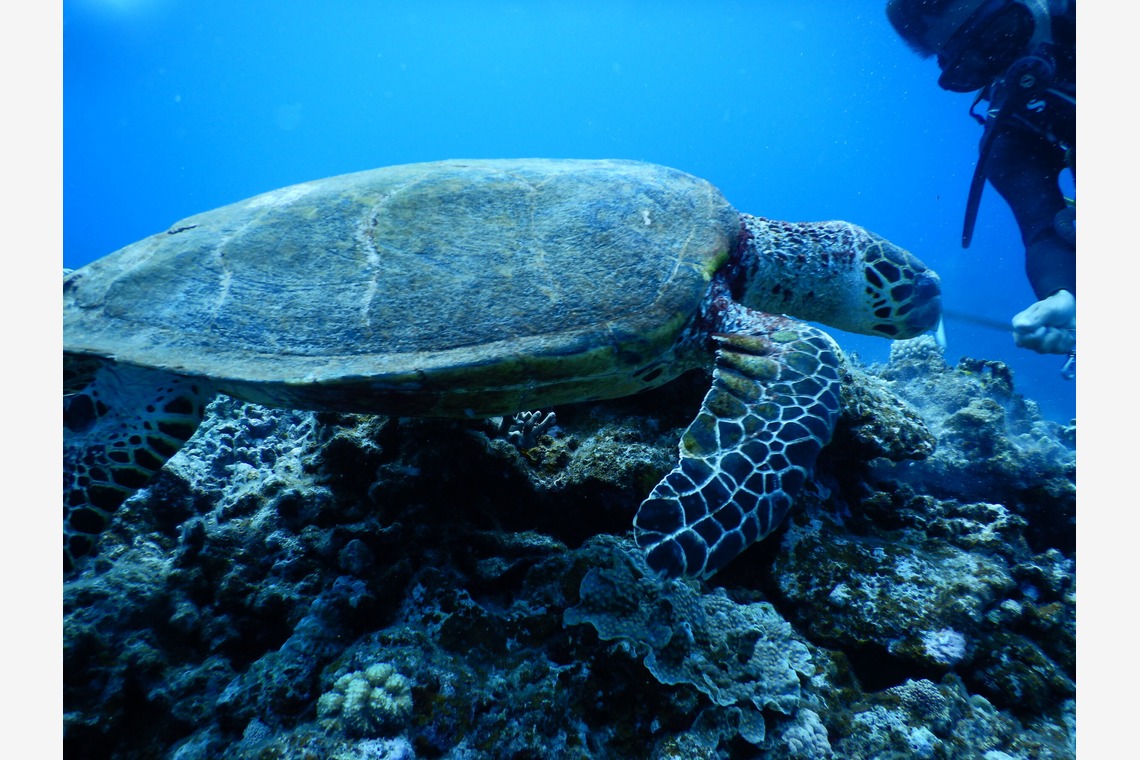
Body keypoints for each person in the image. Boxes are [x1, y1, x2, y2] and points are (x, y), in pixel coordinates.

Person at [885, 0, 1075, 356]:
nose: (1010, 57)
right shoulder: (1011, 136)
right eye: (975, 59)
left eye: (1002, 30)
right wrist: (1062, 294)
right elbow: (1041, 231)